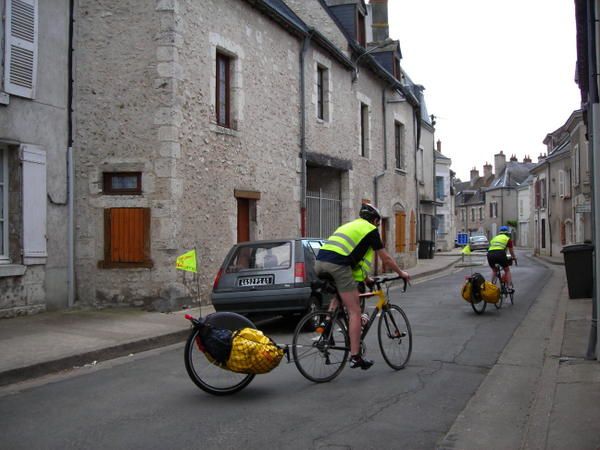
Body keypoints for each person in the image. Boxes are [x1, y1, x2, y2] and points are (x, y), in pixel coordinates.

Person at [315, 203, 411, 370]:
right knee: (355, 311)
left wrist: (366, 279)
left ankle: (326, 326)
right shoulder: (370, 230)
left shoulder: (350, 226)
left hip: (320, 263)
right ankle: (355, 356)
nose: (378, 227)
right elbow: (386, 259)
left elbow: (350, 257)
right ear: (375, 220)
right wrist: (401, 273)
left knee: (339, 296)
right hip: (338, 266)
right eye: (378, 223)